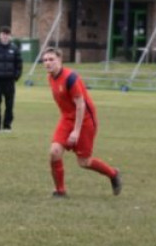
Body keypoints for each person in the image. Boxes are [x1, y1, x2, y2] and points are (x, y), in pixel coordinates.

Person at [41, 47, 122, 198]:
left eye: (51, 59)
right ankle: (60, 191)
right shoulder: (50, 78)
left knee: (84, 162)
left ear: (60, 60)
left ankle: (113, 174)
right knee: (54, 152)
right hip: (67, 118)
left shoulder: (71, 78)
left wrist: (76, 131)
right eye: (45, 60)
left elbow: (81, 105)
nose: (48, 63)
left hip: (85, 120)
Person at [0, 26, 23, 132]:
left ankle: (7, 126)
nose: (5, 36)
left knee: (9, 104)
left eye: (7, 34)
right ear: (0, 35)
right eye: (3, 34)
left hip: (10, 81)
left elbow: (19, 64)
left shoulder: (14, 49)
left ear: (10, 36)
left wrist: (16, 76)